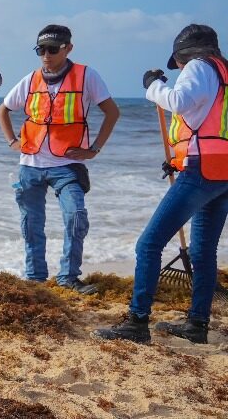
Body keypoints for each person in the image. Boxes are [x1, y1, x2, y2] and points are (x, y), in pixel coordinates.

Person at [95, 24, 226, 345]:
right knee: (202, 251)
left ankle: (137, 323)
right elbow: (206, 121)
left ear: (185, 54)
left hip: (202, 172)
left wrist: (153, 85)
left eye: (178, 63)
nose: (180, 69)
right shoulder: (224, 73)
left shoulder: (199, 65)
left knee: (148, 245)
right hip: (222, 172)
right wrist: (179, 160)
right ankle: (197, 325)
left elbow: (180, 101)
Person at [0, 25, 120, 294]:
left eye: (53, 49)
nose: (46, 55)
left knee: (76, 217)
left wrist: (95, 148)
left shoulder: (87, 76)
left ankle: (68, 277)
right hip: (30, 165)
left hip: (67, 165)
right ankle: (35, 279)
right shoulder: (30, 80)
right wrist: (12, 142)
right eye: (41, 50)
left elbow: (112, 112)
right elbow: (2, 110)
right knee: (31, 225)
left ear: (68, 48)